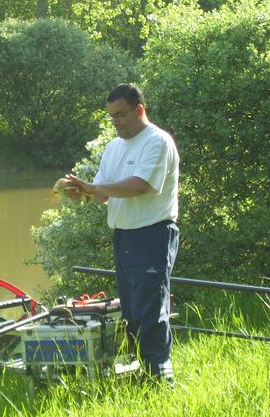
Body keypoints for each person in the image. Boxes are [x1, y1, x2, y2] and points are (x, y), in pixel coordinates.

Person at [64, 83, 179, 383]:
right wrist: (83, 192)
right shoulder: (113, 147)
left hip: (153, 234)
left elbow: (141, 185)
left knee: (151, 310)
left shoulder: (157, 141)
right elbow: (103, 195)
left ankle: (161, 380)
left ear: (139, 110)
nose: (116, 121)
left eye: (121, 115)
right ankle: (144, 374)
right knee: (131, 311)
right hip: (124, 237)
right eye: (111, 116)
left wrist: (96, 188)